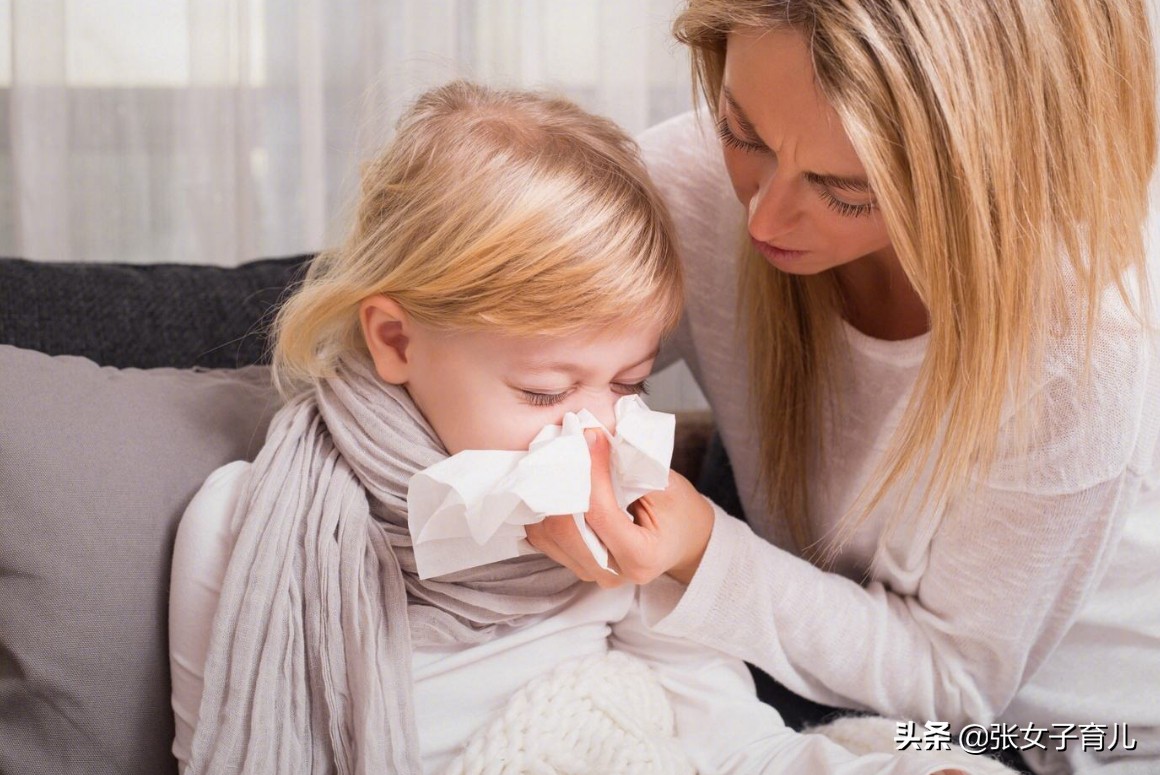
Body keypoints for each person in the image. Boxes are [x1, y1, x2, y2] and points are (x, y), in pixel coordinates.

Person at [168, 81, 994, 774]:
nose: (593, 427)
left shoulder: (626, 525)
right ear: (395, 340)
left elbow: (734, 746)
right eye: (542, 391)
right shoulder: (247, 527)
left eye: (630, 382)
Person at [524, 2, 1160, 774]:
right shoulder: (690, 188)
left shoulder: (1083, 345)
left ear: (990, 167)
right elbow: (469, 349)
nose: (765, 213)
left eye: (847, 190)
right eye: (741, 133)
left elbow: (954, 685)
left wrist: (701, 549)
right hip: (824, 672)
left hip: (1066, 735)